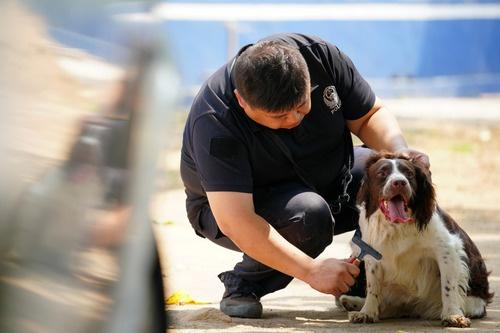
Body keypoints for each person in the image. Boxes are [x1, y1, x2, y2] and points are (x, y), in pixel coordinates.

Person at [180, 33, 428, 319]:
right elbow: (236, 219)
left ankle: (362, 280)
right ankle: (245, 283)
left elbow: (369, 114)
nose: (294, 120)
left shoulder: (321, 57)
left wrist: (401, 154)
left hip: (330, 173)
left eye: (300, 108)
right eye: (279, 117)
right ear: (242, 102)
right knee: (309, 217)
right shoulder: (215, 119)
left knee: (392, 182)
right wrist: (311, 272)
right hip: (247, 202)